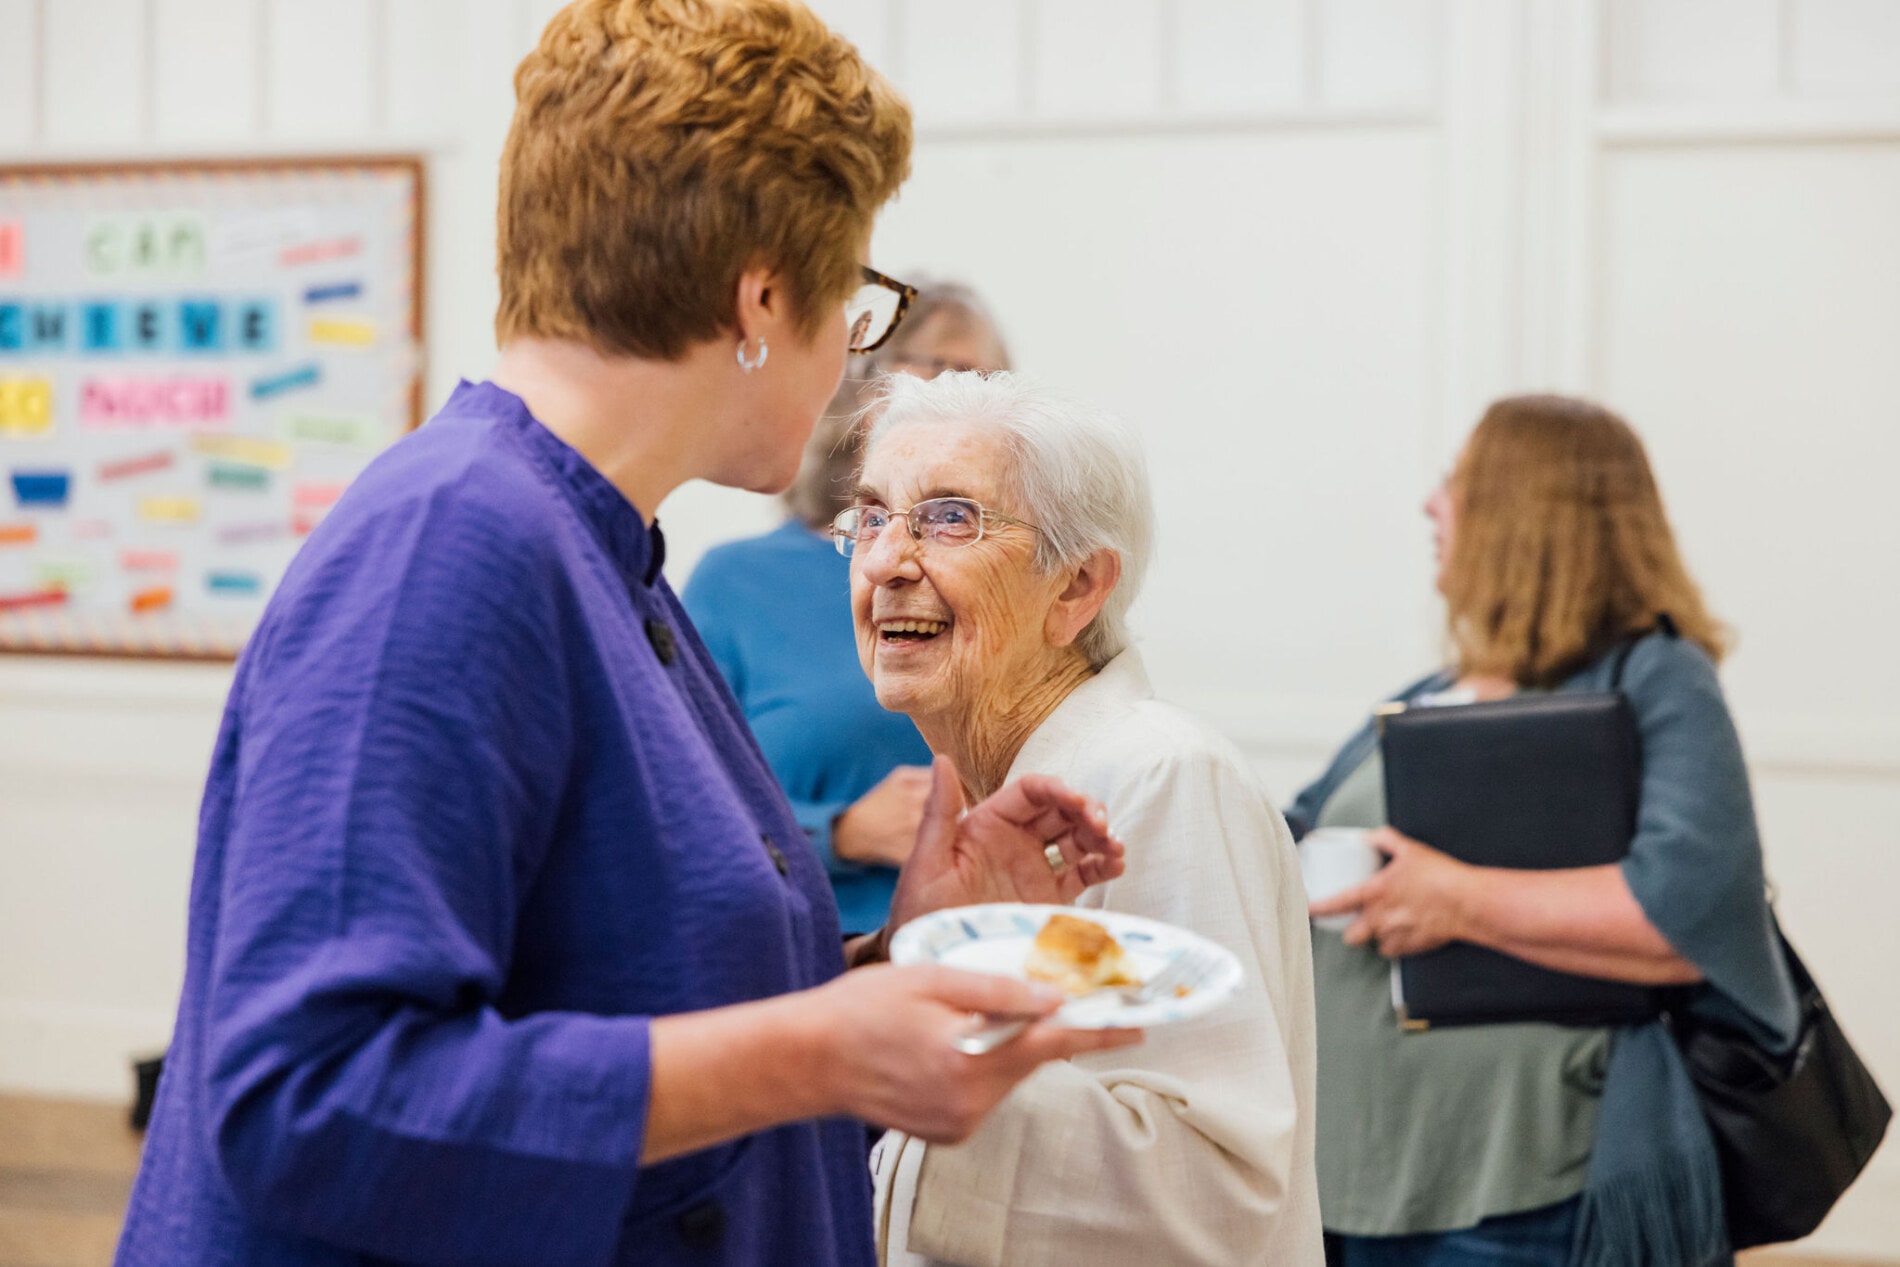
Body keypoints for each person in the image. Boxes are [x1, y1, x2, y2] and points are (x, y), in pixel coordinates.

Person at [112, 5, 1138, 1265]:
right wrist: (822, 1048)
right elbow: (309, 1101)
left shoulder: (605, 554)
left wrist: (891, 962)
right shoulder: (450, 545)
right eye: (856, 305)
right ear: (762, 291)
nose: (848, 360)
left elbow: (627, 984)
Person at [1286, 395, 1799, 1266]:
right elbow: (1282, 841)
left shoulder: (1656, 676)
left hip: (1519, 1190)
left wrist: (1457, 900)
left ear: (1527, 511)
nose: (1429, 505)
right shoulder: (1429, 692)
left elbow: (1687, 914)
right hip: (1349, 1174)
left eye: (1457, 481)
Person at [840, 372, 1324, 1265]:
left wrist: (895, 1065)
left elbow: (1215, 1190)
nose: (886, 561)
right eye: (871, 518)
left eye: (949, 519)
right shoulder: (988, 796)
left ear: (1076, 587)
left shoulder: (1161, 778)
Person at [683, 280, 1013, 933]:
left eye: (994, 379)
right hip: (809, 955)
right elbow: (674, 808)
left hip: (989, 950)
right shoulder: (736, 583)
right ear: (860, 385)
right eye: (946, 368)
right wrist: (841, 833)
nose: (973, 399)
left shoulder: (1019, 578)